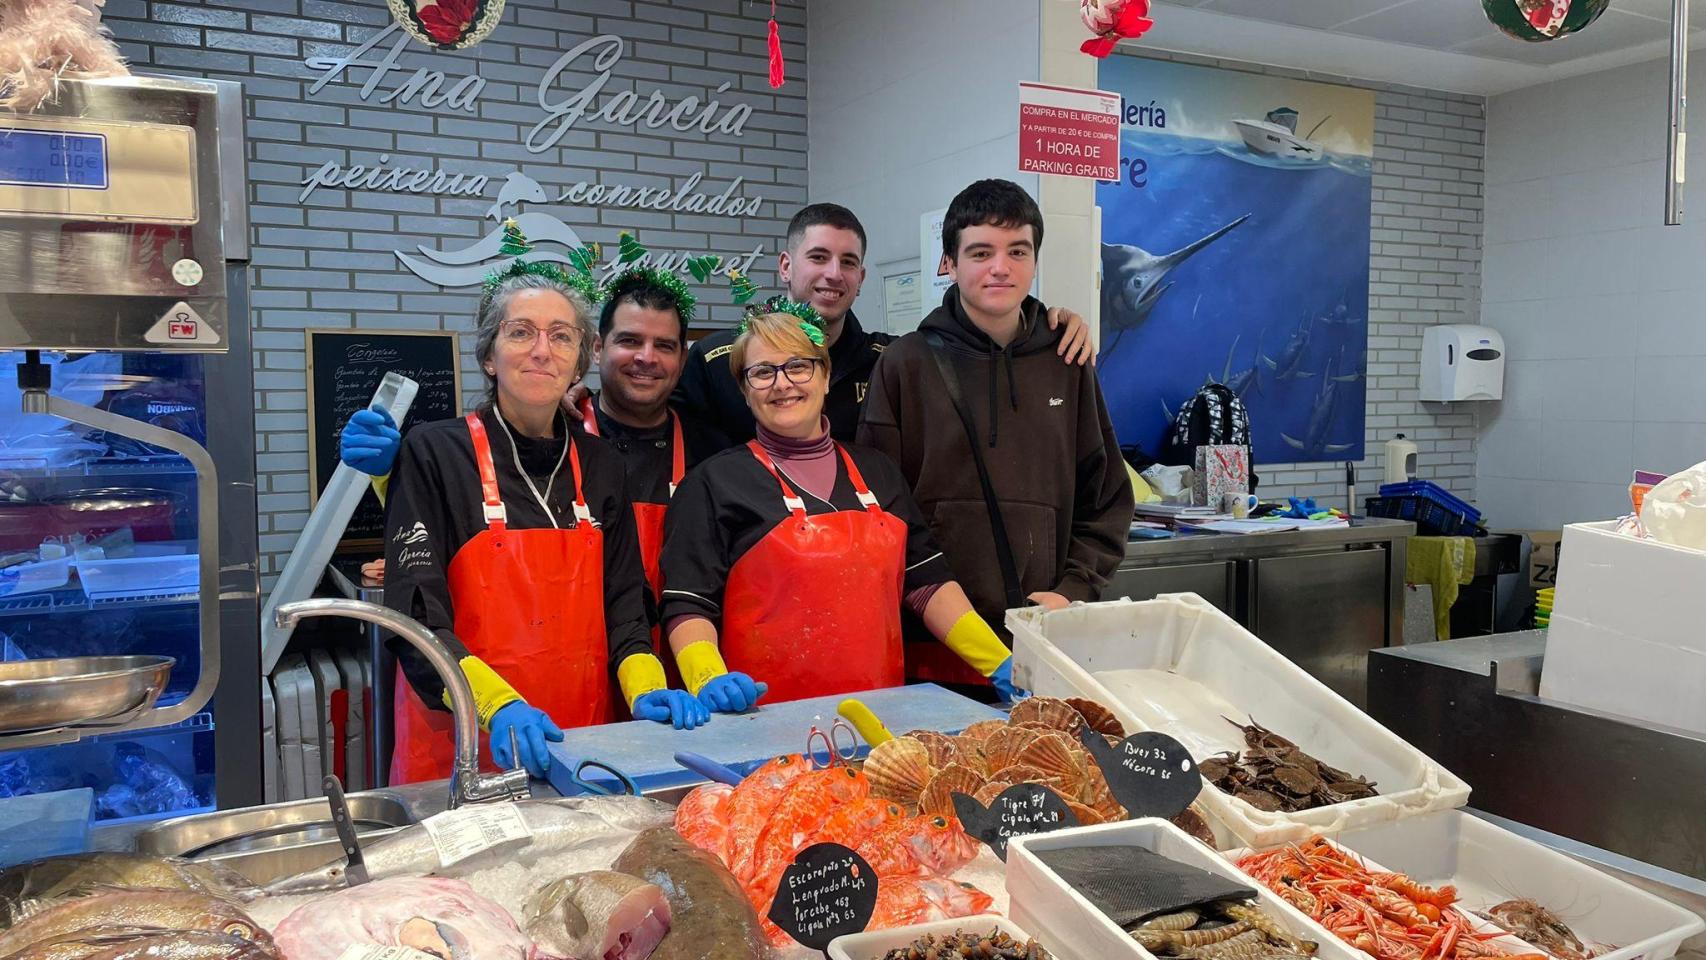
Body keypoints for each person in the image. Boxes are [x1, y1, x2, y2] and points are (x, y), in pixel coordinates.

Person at [383, 261, 705, 785]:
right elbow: (416, 618)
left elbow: (625, 604)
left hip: (577, 745)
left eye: (561, 336)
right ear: (489, 356)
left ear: (580, 359)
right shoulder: (435, 452)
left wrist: (646, 689)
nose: (541, 350)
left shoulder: (601, 464)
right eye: (520, 332)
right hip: (462, 741)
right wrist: (494, 706)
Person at [657, 307, 1023, 711]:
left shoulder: (878, 472)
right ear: (745, 391)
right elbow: (688, 603)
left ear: (826, 376)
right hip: (761, 723)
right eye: (762, 372)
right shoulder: (712, 484)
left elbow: (927, 583)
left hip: (879, 719)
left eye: (798, 366)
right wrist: (708, 676)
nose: (782, 384)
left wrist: (1000, 663)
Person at [858, 179, 1134, 692]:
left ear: (1034, 259)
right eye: (980, 251)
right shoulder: (905, 364)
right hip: (928, 649)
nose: (1000, 267)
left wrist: (1072, 589)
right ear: (950, 262)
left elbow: (1108, 498)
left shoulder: (1067, 361)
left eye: (1017, 251)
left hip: (1040, 638)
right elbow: (877, 513)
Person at [673, 203, 1095, 444]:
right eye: (818, 258)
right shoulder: (714, 363)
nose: (833, 274)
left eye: (849, 262)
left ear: (862, 278)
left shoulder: (892, 361)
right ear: (785, 265)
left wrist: (1043, 326)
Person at [575, 267, 728, 686]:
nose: (646, 357)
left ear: (682, 357)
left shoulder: (715, 453)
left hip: (689, 682)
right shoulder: (557, 438)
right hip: (576, 679)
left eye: (664, 345)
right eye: (629, 341)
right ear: (596, 348)